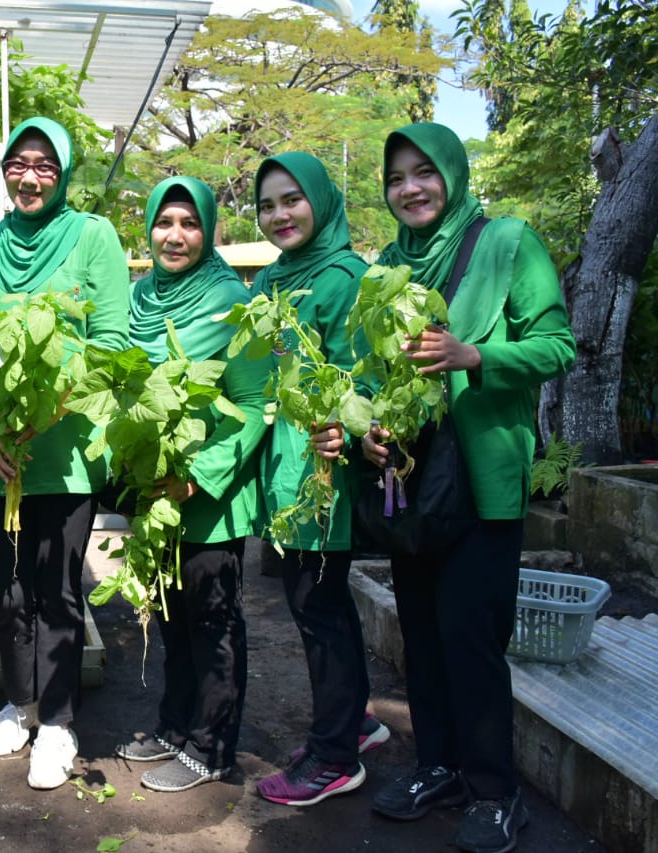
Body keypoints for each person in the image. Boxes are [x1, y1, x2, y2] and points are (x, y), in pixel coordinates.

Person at [361, 122, 575, 853]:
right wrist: (369, 427)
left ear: (451, 173)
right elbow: (372, 373)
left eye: (424, 172)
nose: (410, 188)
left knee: (470, 636)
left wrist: (471, 354)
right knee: (420, 636)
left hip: (483, 481)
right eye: (396, 178)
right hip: (416, 481)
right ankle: (438, 766)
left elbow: (556, 345)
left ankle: (496, 789)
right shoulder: (388, 262)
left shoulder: (508, 242)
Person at [0, 117, 130, 790]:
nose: (29, 177)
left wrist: (48, 411)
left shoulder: (93, 237)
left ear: (63, 173)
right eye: (18, 164)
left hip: (65, 449)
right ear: (5, 171)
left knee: (57, 588)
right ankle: (21, 702)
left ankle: (58, 721)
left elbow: (110, 340)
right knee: (8, 589)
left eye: (45, 165)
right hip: (0, 451)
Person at [112, 176, 268, 791]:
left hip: (209, 497)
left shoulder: (232, 299)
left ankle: (211, 746)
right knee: (170, 613)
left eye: (190, 224)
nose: (175, 236)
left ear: (209, 232)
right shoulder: (137, 298)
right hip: (152, 491)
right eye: (164, 223)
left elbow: (255, 404)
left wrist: (196, 477)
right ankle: (174, 726)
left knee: (212, 618)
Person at [249, 153, 390, 807]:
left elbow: (366, 377)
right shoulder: (272, 280)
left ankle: (335, 758)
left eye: (292, 200)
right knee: (313, 606)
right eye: (268, 204)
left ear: (323, 202)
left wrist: (344, 417)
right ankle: (354, 723)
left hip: (321, 475)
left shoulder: (345, 277)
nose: (279, 214)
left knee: (320, 606)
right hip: (282, 469)